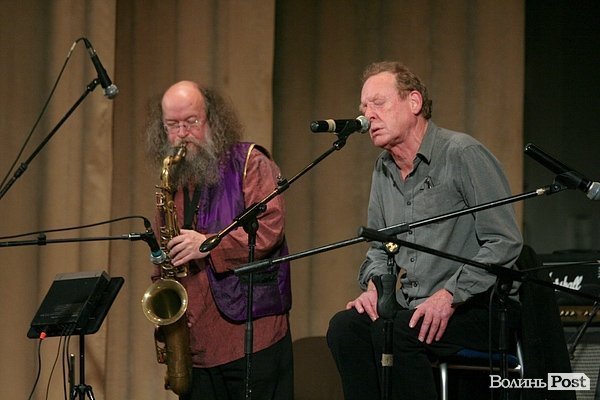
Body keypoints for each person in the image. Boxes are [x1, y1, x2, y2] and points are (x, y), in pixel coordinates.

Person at [326, 61, 523, 400]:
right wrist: (374, 288)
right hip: (415, 306)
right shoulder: (383, 169)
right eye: (363, 107)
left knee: (399, 332)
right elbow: (379, 246)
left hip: (479, 308)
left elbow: (504, 241)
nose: (367, 116)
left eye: (378, 103)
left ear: (414, 102)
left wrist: (450, 294)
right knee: (345, 328)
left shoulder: (463, 153)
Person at [145, 80, 293, 400]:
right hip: (195, 344)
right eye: (172, 125)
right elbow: (164, 257)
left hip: (251, 337)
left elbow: (269, 228)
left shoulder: (249, 161)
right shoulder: (172, 182)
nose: (182, 133)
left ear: (212, 120)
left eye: (191, 122)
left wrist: (208, 244)